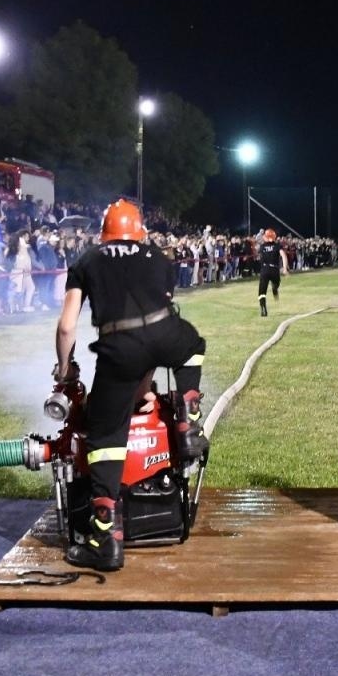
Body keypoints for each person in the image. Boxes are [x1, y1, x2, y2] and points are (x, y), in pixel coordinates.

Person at [54, 199, 208, 572]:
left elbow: (66, 326)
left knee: (104, 438)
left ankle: (105, 538)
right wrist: (145, 391)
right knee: (192, 348)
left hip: (119, 347)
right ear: (140, 231)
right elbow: (152, 332)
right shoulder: (158, 257)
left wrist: (64, 370)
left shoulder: (86, 260)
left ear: (104, 232)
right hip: (165, 333)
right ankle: (188, 421)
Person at [256, 228, 287, 317]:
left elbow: (259, 256)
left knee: (262, 291)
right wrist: (284, 268)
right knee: (276, 284)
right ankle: (274, 288)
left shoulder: (262, 247)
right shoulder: (277, 246)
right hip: (275, 270)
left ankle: (263, 310)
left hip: (264, 270)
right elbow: (284, 256)